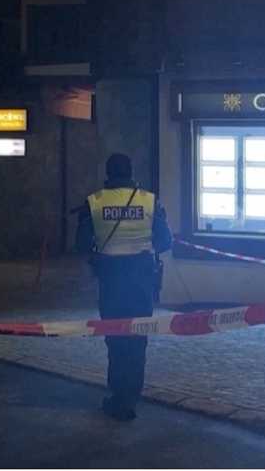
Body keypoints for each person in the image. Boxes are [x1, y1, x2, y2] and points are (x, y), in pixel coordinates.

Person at [76, 152, 172, 421]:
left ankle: (119, 395)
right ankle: (132, 394)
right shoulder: (149, 201)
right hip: (141, 279)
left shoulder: (95, 202)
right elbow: (165, 242)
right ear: (131, 172)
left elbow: (81, 244)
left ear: (108, 173)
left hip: (111, 279)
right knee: (138, 335)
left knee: (115, 335)